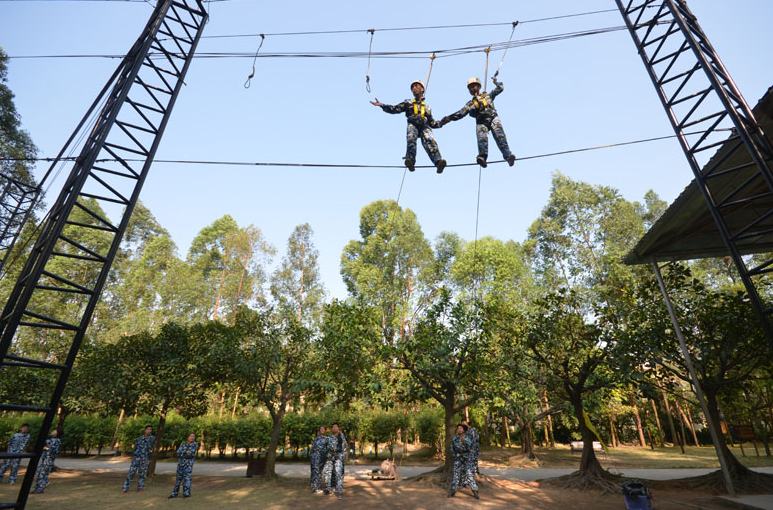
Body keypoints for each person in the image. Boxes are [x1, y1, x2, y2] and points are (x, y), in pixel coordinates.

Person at [370, 80, 448, 173]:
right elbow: (395, 109)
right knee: (411, 139)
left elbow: (432, 123)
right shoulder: (408, 102)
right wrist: (382, 105)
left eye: (416, 86)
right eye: (412, 88)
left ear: (422, 89)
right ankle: (410, 160)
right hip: (413, 124)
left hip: (424, 125)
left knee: (430, 140)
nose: (414, 88)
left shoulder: (427, 108)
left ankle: (438, 162)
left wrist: (443, 121)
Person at [440, 76, 516, 168]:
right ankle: (482, 157)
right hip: (481, 122)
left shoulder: (488, 96)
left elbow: (500, 88)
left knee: (500, 136)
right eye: (470, 87)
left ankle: (508, 155)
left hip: (493, 118)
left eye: (474, 86)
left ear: (479, 86)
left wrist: (496, 82)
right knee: (482, 138)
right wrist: (449, 118)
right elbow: (461, 113)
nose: (472, 88)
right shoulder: (470, 104)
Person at [449, 424, 479, 499]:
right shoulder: (455, 438)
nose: (459, 429)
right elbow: (451, 448)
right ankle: (453, 491)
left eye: (461, 428)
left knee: (469, 475)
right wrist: (455, 455)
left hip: (467, 458)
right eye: (458, 428)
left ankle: (475, 491)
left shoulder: (468, 438)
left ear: (464, 430)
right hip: (458, 458)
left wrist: (465, 441)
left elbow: (472, 448)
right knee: (456, 475)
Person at [122, 425, 155, 493]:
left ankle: (140, 487)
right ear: (145, 430)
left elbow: (152, 448)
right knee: (131, 473)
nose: (149, 430)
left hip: (144, 459)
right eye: (148, 429)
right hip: (136, 458)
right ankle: (125, 487)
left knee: (142, 474)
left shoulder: (152, 439)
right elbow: (135, 447)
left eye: (150, 429)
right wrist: (135, 455)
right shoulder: (139, 438)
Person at [31, 428, 62, 494]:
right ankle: (43, 484)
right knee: (41, 473)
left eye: (54, 431)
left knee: (41, 474)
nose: (52, 431)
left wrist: (44, 447)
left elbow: (49, 448)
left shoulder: (54, 440)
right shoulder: (56, 440)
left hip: (47, 460)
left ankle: (39, 489)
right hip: (47, 460)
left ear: (57, 433)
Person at [169, 433, 199, 499]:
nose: (192, 437)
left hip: (188, 465)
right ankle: (174, 493)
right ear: (188, 437)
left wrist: (183, 452)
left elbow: (190, 454)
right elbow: (177, 453)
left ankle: (186, 494)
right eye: (191, 436)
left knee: (187, 480)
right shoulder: (183, 444)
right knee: (178, 480)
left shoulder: (195, 445)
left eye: (194, 436)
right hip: (180, 464)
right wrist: (185, 452)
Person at [322, 422, 347, 499]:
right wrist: (327, 455)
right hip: (330, 458)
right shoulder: (329, 437)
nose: (334, 428)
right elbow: (325, 447)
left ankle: (339, 492)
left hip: (338, 458)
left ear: (338, 428)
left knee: (338, 474)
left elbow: (344, 448)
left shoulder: (341, 437)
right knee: (327, 473)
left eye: (336, 427)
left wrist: (342, 458)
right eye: (333, 427)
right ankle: (327, 489)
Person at [310, 426, 328, 493]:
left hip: (321, 459)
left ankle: (314, 485)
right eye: (321, 429)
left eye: (323, 429)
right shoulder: (317, 439)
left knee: (317, 472)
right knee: (317, 473)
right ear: (319, 431)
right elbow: (320, 449)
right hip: (316, 458)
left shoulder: (325, 438)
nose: (322, 430)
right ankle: (316, 488)